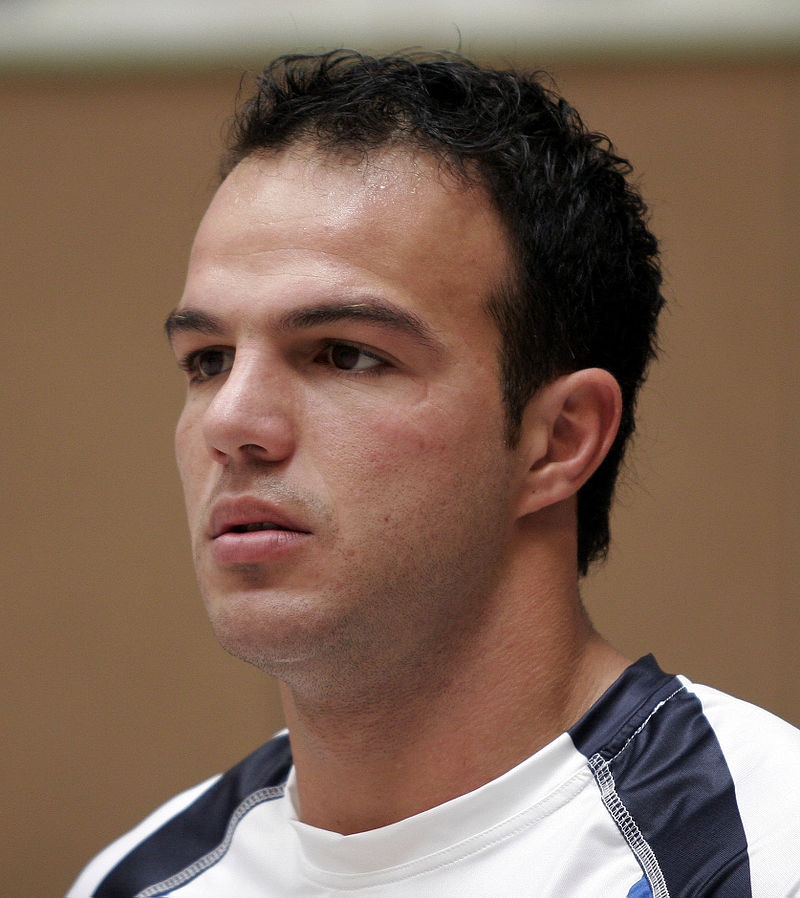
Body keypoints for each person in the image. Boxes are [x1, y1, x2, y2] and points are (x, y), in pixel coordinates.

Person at [68, 50, 800, 897]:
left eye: (344, 354)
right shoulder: (132, 880)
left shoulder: (764, 852)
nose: (232, 422)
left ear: (559, 440)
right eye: (206, 360)